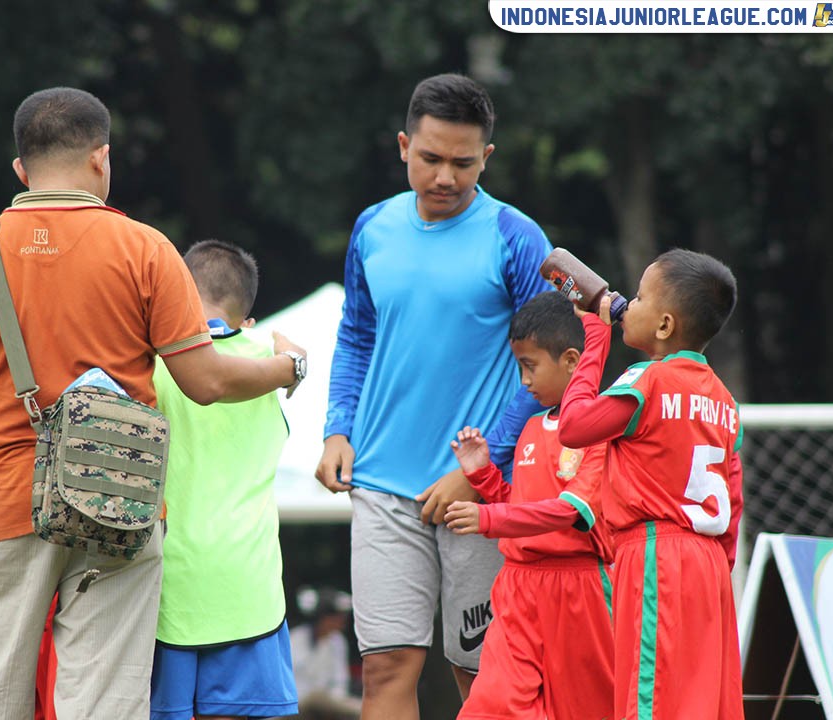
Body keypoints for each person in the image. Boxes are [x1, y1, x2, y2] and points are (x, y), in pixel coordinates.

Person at [0, 87, 307, 720]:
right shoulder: (147, 250)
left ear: (21, 169)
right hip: (118, 504)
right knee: (101, 702)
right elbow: (204, 382)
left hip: (4, 502)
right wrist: (288, 368)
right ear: (102, 158)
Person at [315, 73, 551, 718]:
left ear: (487, 158)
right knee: (386, 669)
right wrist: (338, 429)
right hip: (382, 486)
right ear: (402, 146)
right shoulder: (372, 228)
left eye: (463, 163)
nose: (445, 177)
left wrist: (479, 472)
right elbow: (358, 337)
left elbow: (554, 366)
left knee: (484, 677)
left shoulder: (515, 235)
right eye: (431, 158)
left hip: (483, 498)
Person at [557, 248, 744, 720]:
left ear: (663, 326)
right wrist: (716, 566)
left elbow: (574, 426)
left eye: (638, 298)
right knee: (699, 697)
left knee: (650, 696)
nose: (627, 305)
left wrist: (595, 337)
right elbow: (733, 497)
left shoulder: (647, 379)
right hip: (710, 564)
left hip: (656, 551)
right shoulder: (723, 399)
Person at [442, 291, 614, 719]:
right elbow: (522, 508)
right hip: (517, 588)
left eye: (530, 366)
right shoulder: (533, 427)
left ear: (573, 361)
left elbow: (569, 512)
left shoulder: (601, 429)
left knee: (587, 710)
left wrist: (486, 516)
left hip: (580, 590)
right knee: (490, 706)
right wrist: (484, 476)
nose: (524, 381)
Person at [149, 240, 299, 720]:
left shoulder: (147, 360)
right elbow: (292, 358)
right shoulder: (275, 353)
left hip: (164, 587)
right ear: (245, 310)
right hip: (248, 589)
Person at [288, 587, 362, 720]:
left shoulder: (338, 641)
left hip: (327, 703)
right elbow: (292, 680)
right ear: (321, 617)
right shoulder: (295, 639)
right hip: (298, 705)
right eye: (334, 617)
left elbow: (340, 681)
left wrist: (335, 703)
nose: (340, 622)